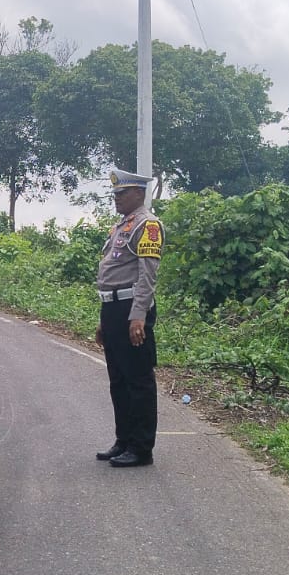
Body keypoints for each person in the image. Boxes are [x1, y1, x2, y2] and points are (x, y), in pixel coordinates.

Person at [93, 168, 162, 468]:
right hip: (113, 309)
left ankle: (141, 448)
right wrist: (104, 320)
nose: (116, 199)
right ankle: (123, 440)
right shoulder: (123, 226)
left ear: (138, 193)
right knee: (118, 381)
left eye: (121, 194)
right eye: (115, 194)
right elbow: (113, 273)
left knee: (138, 381)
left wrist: (138, 317)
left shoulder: (148, 225)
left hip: (132, 308)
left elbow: (147, 276)